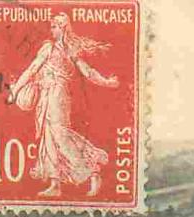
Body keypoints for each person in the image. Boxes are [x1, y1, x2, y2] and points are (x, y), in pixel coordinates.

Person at [9, 13, 119, 197]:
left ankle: (92, 172)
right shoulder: (48, 47)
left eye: (55, 26)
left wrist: (107, 82)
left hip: (58, 95)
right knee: (49, 138)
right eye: (51, 26)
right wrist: (16, 89)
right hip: (46, 95)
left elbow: (87, 72)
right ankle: (55, 184)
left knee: (60, 136)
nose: (51, 30)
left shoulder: (68, 50)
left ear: (63, 28)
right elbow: (32, 69)